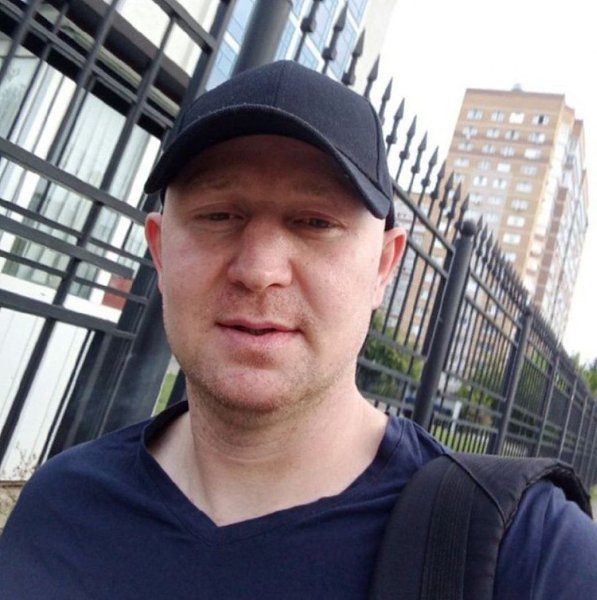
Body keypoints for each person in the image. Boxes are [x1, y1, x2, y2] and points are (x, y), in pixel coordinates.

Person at [1, 60, 596, 599]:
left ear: (383, 266)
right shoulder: (60, 507)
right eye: (218, 215)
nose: (259, 271)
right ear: (159, 250)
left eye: (315, 222)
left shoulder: (525, 553)